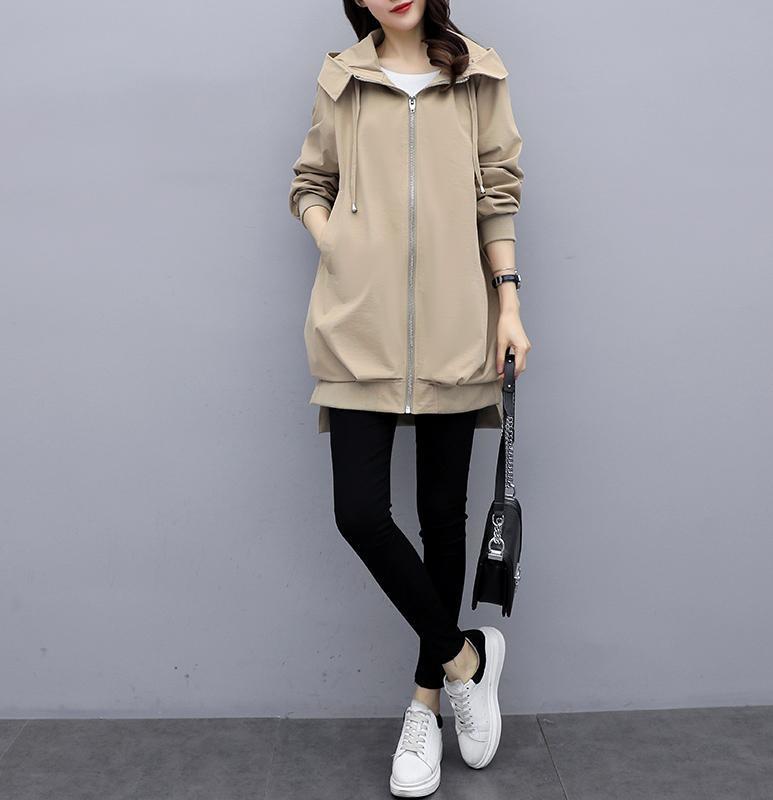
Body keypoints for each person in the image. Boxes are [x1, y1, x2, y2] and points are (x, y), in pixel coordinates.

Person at [288, 1, 531, 795]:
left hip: (458, 324)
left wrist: (509, 306)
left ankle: (426, 703)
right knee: (360, 512)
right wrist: (336, 240)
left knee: (441, 519)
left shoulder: (478, 73)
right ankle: (466, 658)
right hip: (358, 326)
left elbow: (498, 193)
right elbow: (310, 182)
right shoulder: (343, 80)